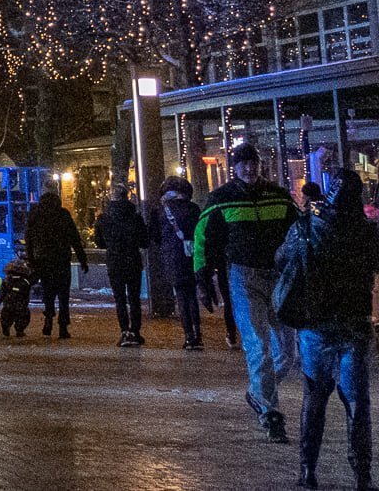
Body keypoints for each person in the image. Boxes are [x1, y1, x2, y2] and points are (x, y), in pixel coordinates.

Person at [196, 140, 299, 443]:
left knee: (287, 352)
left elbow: (298, 233)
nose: (249, 168)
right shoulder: (221, 199)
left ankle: (257, 392)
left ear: (260, 165)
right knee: (258, 345)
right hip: (243, 277)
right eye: (243, 163)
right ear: (235, 167)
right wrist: (203, 280)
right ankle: (270, 413)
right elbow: (203, 240)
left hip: (277, 278)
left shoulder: (279, 197)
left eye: (253, 163)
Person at [287, 167, 379, 490]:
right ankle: (362, 475)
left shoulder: (306, 227)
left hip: (316, 323)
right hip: (354, 323)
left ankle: (308, 471)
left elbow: (282, 260)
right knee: (357, 402)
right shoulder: (368, 232)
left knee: (314, 396)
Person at [22, 189, 87, 340]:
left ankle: (48, 319)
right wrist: (82, 259)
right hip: (61, 260)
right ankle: (63, 327)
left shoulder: (36, 215)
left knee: (48, 292)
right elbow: (74, 238)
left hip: (43, 261)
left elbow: (29, 240)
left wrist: (31, 259)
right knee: (64, 295)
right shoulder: (63, 215)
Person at [94, 185, 151, 346]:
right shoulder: (135, 217)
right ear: (126, 197)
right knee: (134, 298)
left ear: (112, 198)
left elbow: (99, 243)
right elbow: (144, 241)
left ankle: (125, 331)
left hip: (114, 262)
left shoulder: (104, 219)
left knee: (119, 299)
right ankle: (135, 331)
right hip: (133, 261)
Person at [160, 177, 207, 351]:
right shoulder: (193, 208)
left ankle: (188, 336)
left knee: (181, 296)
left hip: (173, 257)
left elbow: (155, 236)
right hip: (191, 255)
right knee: (192, 295)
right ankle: (197, 334)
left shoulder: (162, 210)